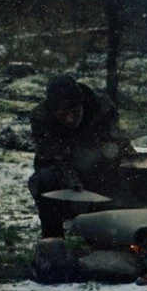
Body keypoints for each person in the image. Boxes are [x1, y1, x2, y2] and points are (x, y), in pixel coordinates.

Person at [28, 74, 134, 230]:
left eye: (74, 112)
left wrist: (130, 163)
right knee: (43, 181)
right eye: (62, 115)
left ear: (82, 103)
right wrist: (71, 179)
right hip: (62, 172)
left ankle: (111, 232)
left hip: (102, 167)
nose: (70, 119)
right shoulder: (41, 118)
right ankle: (53, 240)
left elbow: (117, 144)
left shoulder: (102, 108)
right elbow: (51, 156)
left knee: (126, 177)